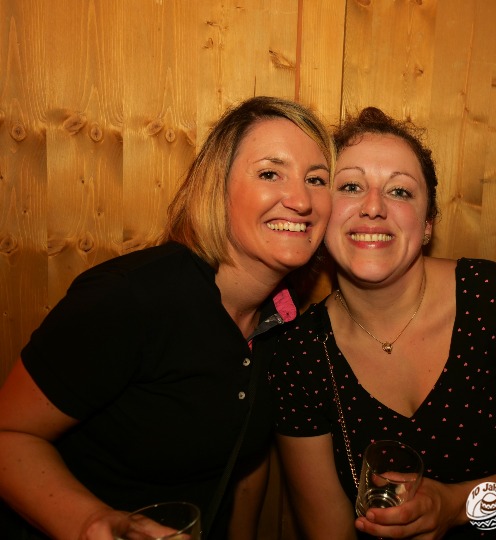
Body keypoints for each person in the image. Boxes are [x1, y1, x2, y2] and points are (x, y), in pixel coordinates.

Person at [0, 96, 334, 540]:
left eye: (316, 179)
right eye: (270, 173)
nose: (301, 199)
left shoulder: (281, 321)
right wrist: (91, 522)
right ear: (217, 189)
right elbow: (8, 434)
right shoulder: (130, 298)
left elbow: (244, 461)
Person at [269, 107, 496, 539]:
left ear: (427, 225)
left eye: (400, 191)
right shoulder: (300, 354)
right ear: (320, 213)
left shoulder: (494, 299)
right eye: (350, 186)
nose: (373, 207)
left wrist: (456, 505)